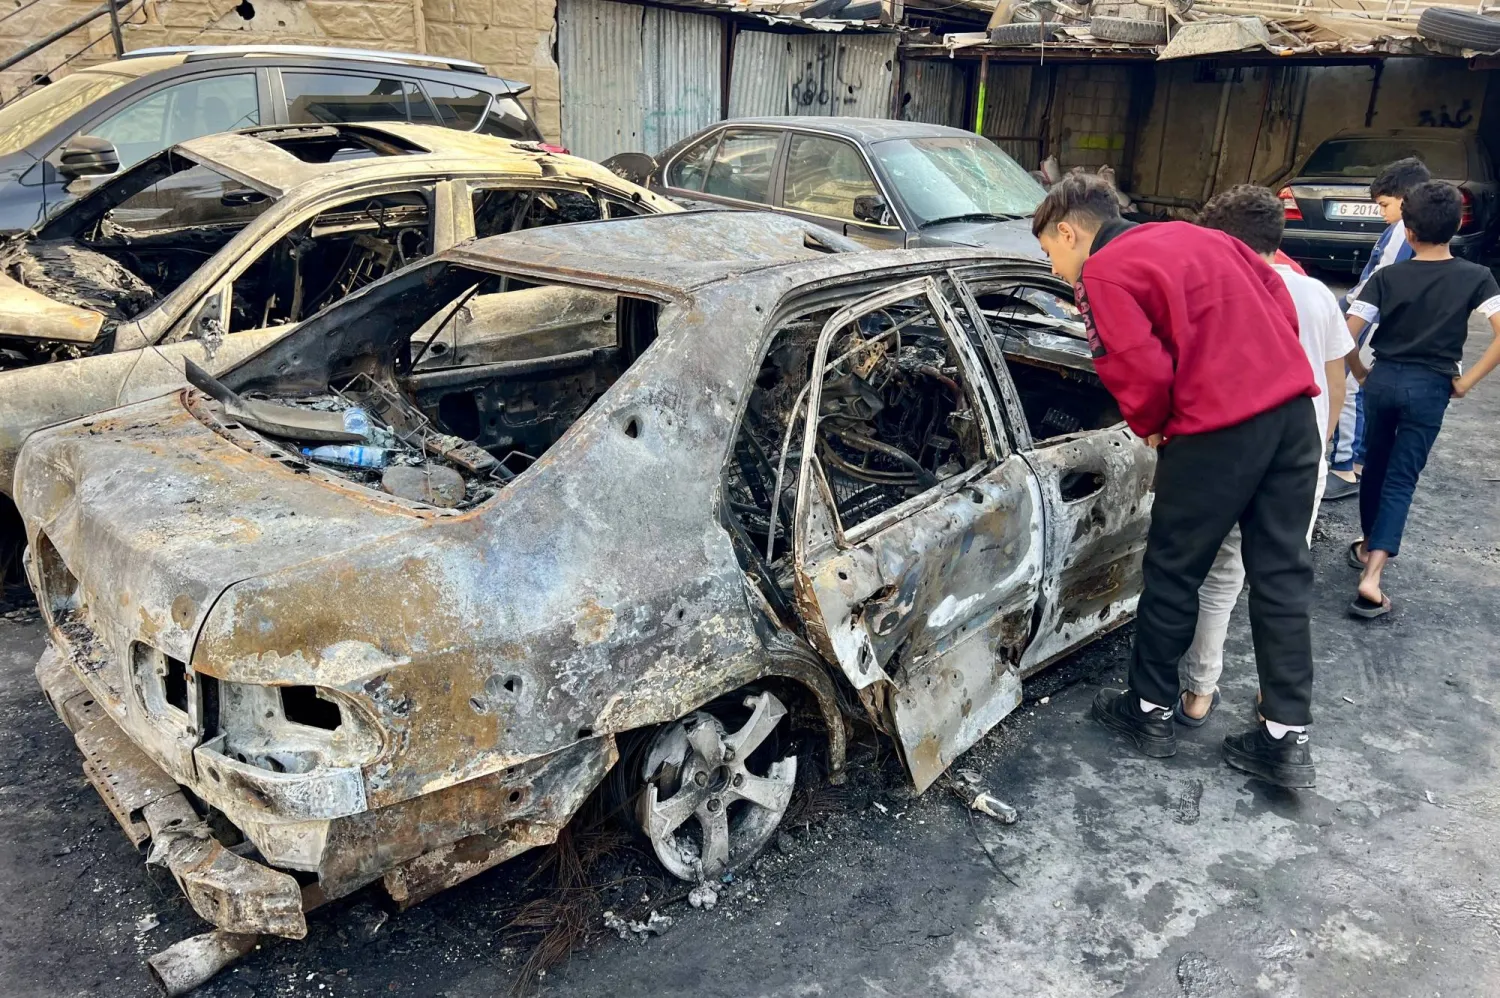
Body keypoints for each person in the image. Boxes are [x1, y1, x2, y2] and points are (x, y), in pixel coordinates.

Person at [1032, 174, 1323, 789]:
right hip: (1292, 419)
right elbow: (1276, 296)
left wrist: (1156, 427)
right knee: (1281, 573)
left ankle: (1148, 712)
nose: (1055, 270)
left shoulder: (1104, 273)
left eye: (1049, 254)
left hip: (1216, 434)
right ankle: (1285, 738)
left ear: (1069, 231)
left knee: (1173, 572)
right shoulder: (1201, 236)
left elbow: (1134, 365)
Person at [1176, 186, 1352, 725]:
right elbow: (1336, 382)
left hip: (1231, 458)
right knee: (1281, 587)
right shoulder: (1318, 294)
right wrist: (1317, 450)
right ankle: (1277, 711)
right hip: (1300, 462)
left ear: (1222, 244)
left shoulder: (1217, 294)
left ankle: (1199, 693)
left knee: (1221, 576)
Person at [1345, 180, 1500, 617]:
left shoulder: (1387, 276)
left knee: (1373, 466)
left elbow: (1346, 333)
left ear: (1408, 230)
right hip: (1431, 387)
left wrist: (1360, 373)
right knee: (1401, 477)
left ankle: (1367, 544)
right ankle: (1372, 574)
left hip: (1383, 381)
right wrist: (1467, 381)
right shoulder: (1477, 277)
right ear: (1455, 229)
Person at [1327, 157, 1430, 501]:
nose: (1382, 212)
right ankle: (1357, 460)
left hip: (1373, 320)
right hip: (1392, 324)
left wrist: (1345, 314)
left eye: (1385, 205)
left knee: (1348, 384)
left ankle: (1342, 465)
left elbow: (1376, 283)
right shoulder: (1411, 228)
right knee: (1363, 388)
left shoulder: (1404, 230)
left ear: (1407, 197)